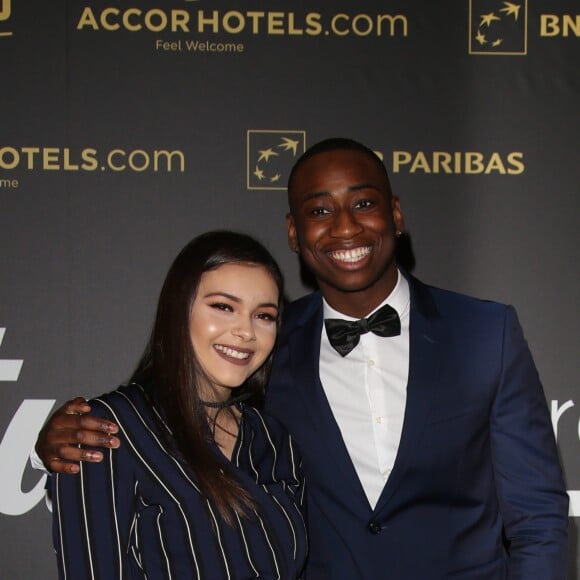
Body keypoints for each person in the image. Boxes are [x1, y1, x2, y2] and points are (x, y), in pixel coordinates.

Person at [36, 138, 569, 579]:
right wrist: (60, 435)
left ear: (397, 213)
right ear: (294, 232)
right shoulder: (268, 346)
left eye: (363, 203)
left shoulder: (486, 332)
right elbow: (167, 423)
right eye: (318, 210)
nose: (344, 227)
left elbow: (538, 519)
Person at [46, 231, 307, 579]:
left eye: (264, 315)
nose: (246, 331)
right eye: (224, 307)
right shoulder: (109, 429)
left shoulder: (273, 440)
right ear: (179, 309)